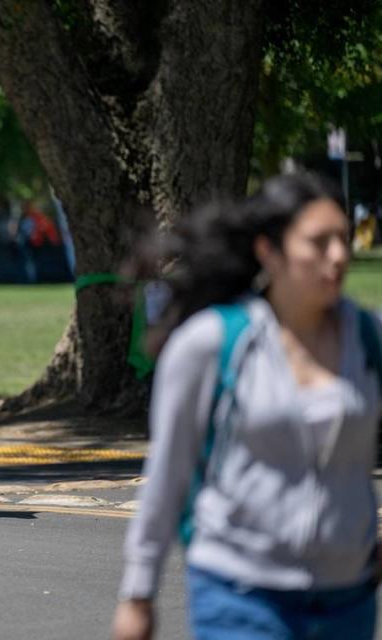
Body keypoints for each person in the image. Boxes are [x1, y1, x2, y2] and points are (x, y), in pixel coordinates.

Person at [111, 172, 381, 640]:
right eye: (319, 242)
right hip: (240, 595)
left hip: (349, 600)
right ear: (269, 252)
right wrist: (138, 593)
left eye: (342, 240)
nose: (338, 256)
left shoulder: (368, 339)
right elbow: (170, 472)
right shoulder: (214, 343)